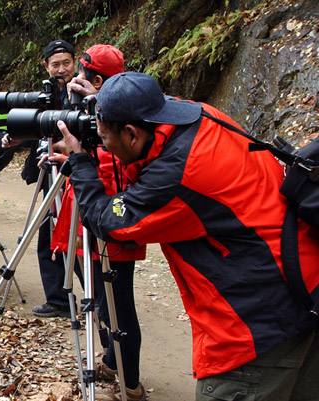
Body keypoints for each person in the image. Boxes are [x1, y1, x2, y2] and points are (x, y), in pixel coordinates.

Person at [55, 71, 319, 401]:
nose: (103, 143)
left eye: (105, 137)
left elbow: (112, 225)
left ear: (133, 134)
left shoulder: (180, 172)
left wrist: (80, 163)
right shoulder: (196, 114)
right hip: (305, 285)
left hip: (260, 321)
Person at [47, 45, 146, 399]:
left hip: (113, 221)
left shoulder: (119, 117)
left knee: (118, 306)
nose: (75, 81)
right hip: (93, 213)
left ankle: (131, 387)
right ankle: (111, 359)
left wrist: (99, 109)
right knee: (104, 301)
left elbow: (115, 166)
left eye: (81, 75)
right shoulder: (102, 110)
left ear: (98, 79)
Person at [3, 39, 77, 318]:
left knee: (75, 237)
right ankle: (58, 300)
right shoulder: (44, 95)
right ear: (46, 67)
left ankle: (91, 298)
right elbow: (38, 128)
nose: (61, 69)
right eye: (55, 64)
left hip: (74, 172)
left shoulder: (81, 92)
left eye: (66, 63)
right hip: (50, 174)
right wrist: (19, 138)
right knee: (47, 235)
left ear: (75, 63)